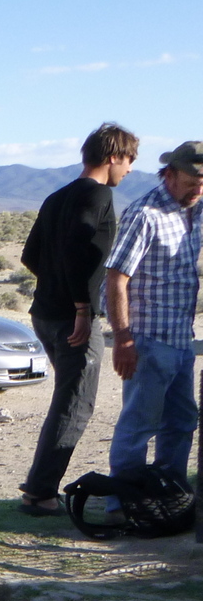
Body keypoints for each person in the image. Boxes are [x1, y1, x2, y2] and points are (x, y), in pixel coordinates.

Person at [17, 123, 139, 515]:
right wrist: (83, 308)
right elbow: (80, 252)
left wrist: (55, 287)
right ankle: (39, 493)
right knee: (76, 403)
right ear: (112, 157)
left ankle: (39, 488)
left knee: (67, 400)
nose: (131, 169)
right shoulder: (98, 195)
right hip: (73, 319)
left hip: (44, 314)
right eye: (130, 160)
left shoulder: (56, 197)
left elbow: (31, 256)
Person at [104, 141, 203, 515]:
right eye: (192, 179)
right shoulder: (144, 214)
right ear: (169, 174)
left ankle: (168, 499)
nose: (198, 187)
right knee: (139, 425)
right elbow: (116, 279)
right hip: (147, 339)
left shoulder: (195, 210)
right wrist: (123, 338)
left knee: (181, 423)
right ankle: (123, 506)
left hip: (181, 339)